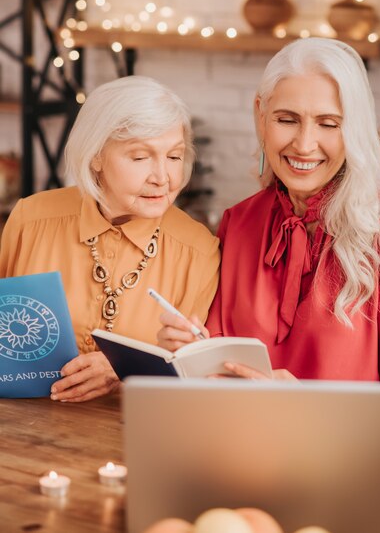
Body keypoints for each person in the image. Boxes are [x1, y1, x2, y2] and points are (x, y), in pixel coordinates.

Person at [158, 37, 380, 382]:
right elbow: (218, 362)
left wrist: (301, 405)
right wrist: (190, 351)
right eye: (287, 120)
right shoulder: (239, 223)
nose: (305, 145)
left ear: (353, 129)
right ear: (260, 115)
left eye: (328, 123)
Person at [0, 76, 220, 401]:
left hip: (132, 433)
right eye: (140, 157)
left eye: (173, 157)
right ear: (96, 156)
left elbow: (195, 375)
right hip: (21, 425)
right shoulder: (31, 219)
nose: (163, 178)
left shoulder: (199, 250)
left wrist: (125, 371)